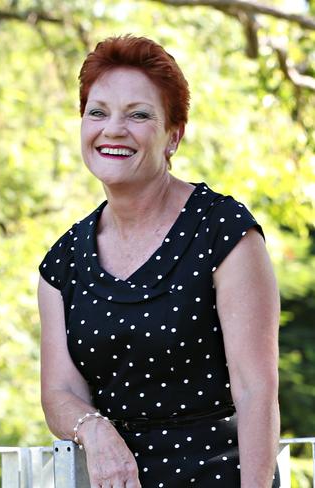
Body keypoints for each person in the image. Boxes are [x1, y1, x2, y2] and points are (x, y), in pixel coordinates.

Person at [38, 35, 280, 487]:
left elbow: (255, 391)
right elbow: (59, 393)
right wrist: (94, 428)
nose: (113, 129)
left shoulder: (224, 232)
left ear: (173, 135)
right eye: (98, 112)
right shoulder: (63, 261)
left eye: (139, 114)